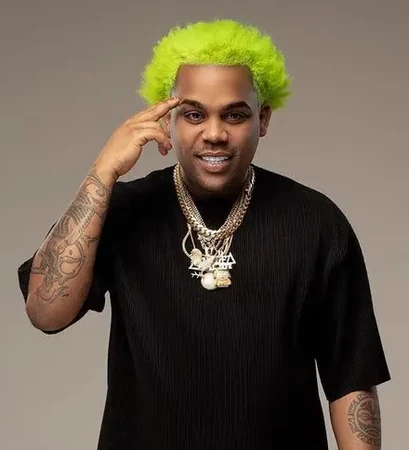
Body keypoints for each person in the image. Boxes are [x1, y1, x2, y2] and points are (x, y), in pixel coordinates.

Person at [17, 19, 391, 450]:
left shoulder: (316, 222)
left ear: (263, 119)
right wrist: (103, 172)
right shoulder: (121, 210)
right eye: (194, 114)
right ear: (167, 119)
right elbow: (46, 311)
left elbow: (352, 382)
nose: (214, 134)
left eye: (234, 114)